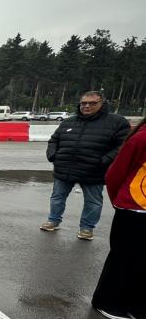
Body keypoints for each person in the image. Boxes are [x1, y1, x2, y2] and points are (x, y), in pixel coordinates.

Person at [41, 91, 130, 240]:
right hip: (64, 168)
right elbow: (54, 140)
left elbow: (123, 145)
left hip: (93, 170)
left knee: (93, 202)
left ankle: (87, 228)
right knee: (57, 197)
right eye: (84, 103)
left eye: (92, 103)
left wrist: (104, 161)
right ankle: (53, 220)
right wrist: (53, 155)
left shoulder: (116, 122)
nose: (87, 106)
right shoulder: (69, 121)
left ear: (102, 104)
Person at [91, 115, 145, 319]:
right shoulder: (140, 139)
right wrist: (120, 201)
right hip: (133, 208)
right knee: (124, 258)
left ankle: (139, 307)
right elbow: (114, 174)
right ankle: (109, 302)